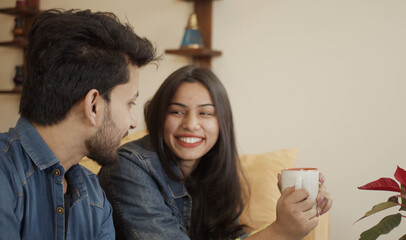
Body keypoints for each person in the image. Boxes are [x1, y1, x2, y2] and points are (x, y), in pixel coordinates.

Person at [98, 65, 332, 240]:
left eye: (206, 113)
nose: (191, 124)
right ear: (159, 117)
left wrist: (298, 209)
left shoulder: (213, 170)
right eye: (177, 112)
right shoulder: (128, 167)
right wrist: (280, 232)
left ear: (222, 123)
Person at [0, 9, 158, 240]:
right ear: (94, 105)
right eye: (129, 104)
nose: (133, 122)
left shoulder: (93, 195)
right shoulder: (5, 174)